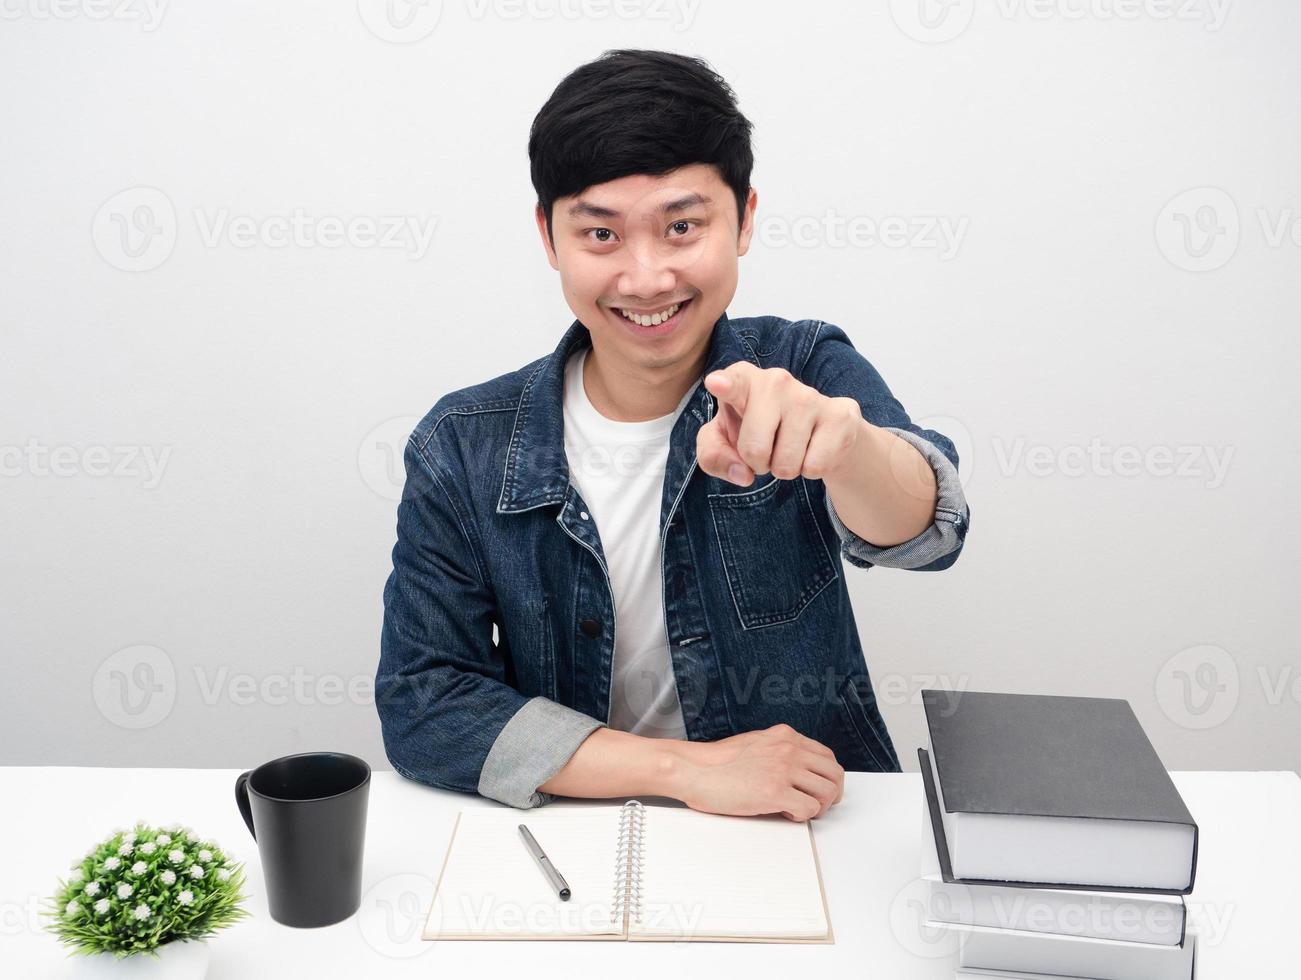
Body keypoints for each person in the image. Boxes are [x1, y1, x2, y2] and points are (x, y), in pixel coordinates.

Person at [376, 49, 970, 822]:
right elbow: (424, 701)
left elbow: (931, 533)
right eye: (601, 236)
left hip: (804, 823)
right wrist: (686, 771)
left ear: (744, 219)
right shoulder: (461, 446)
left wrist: (848, 449)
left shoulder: (802, 364)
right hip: (572, 826)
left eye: (682, 227)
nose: (647, 277)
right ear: (548, 237)